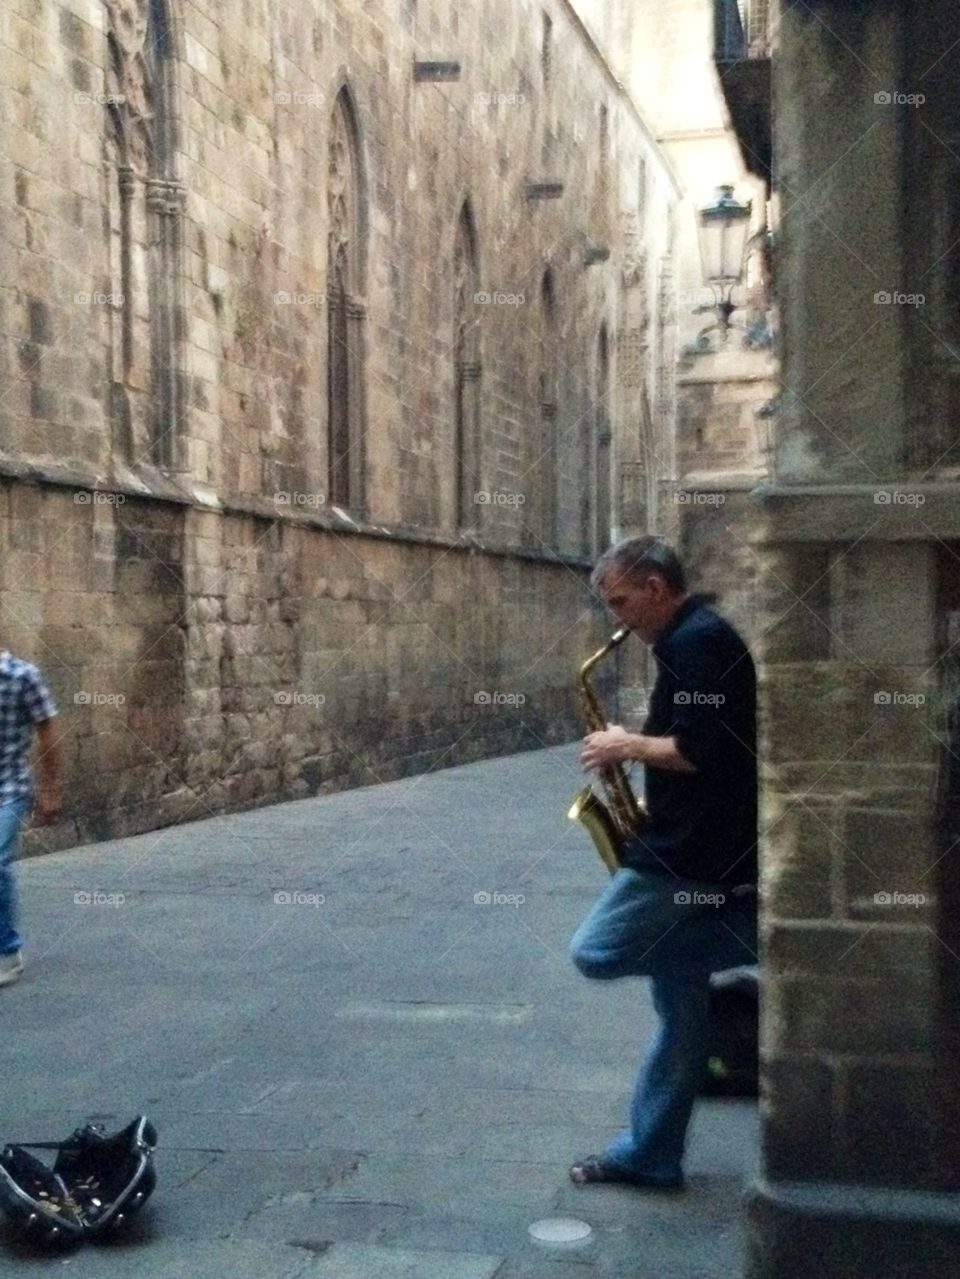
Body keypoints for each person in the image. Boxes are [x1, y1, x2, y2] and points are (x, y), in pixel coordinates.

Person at [568, 535, 758, 1190]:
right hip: (691, 836)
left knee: (595, 949)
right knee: (683, 1024)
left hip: (689, 854)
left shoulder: (695, 642)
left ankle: (763, 935)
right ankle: (651, 1154)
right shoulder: (692, 639)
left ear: (655, 587)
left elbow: (700, 749)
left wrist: (627, 744)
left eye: (621, 601)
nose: (617, 616)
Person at [0, 648, 62, 986]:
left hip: (9, 788)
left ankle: (7, 953)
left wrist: (50, 788)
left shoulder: (22, 676)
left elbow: (48, 731)